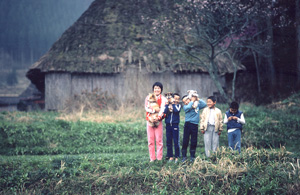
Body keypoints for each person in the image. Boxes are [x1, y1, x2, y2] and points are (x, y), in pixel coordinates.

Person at [145, 82, 167, 162]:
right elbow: (146, 108)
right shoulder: (148, 97)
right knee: (150, 140)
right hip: (150, 120)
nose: (157, 90)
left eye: (158, 88)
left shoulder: (163, 99)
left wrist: (158, 118)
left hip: (158, 120)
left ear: (161, 89)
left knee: (159, 140)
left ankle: (159, 158)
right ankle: (152, 158)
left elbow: (163, 110)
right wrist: (152, 112)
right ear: (153, 89)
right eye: (155, 88)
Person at [181, 94, 206, 162]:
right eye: (184, 101)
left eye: (187, 100)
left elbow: (204, 104)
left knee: (194, 141)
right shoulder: (185, 106)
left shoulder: (196, 105)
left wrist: (197, 99)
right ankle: (184, 156)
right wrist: (191, 101)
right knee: (185, 140)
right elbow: (188, 108)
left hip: (194, 125)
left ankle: (192, 156)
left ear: (189, 98)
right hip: (188, 125)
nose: (186, 102)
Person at [164, 93, 181, 163]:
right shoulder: (167, 105)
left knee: (176, 141)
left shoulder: (178, 105)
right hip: (168, 125)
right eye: (175, 98)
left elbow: (177, 111)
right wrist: (168, 105)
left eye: (178, 99)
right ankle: (170, 156)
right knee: (169, 141)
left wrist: (173, 104)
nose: (176, 100)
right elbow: (164, 112)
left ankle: (177, 156)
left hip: (175, 125)